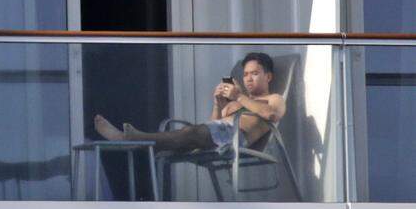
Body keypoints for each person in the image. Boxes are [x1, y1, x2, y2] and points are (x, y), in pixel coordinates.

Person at [94, 51, 286, 153]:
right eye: (245, 75)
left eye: (255, 73)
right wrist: (218, 105)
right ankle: (138, 143)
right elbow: (211, 124)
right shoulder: (237, 102)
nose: (248, 79)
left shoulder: (272, 98)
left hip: (235, 139)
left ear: (268, 76)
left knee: (189, 132)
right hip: (217, 136)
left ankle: (129, 139)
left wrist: (239, 97)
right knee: (183, 139)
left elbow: (271, 114)